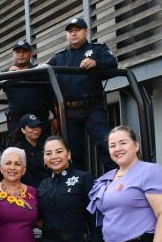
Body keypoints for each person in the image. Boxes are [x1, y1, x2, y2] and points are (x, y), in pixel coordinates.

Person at [47, 18, 117, 171]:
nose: (73, 34)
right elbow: (42, 73)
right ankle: (78, 187)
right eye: (70, 31)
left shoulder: (97, 49)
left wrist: (96, 63)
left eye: (77, 30)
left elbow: (112, 62)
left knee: (106, 143)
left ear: (86, 32)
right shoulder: (60, 56)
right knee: (73, 152)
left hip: (93, 107)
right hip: (69, 111)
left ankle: (117, 180)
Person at [0, 40, 53, 136]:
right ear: (13, 54)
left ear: (30, 53)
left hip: (39, 121)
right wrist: (7, 74)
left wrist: (57, 116)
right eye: (17, 52)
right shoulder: (7, 73)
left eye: (24, 51)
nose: (21, 54)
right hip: (16, 122)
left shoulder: (39, 72)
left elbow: (51, 96)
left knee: (42, 150)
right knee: (16, 150)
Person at [9, 113, 49, 188]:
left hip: (49, 186)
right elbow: (23, 176)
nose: (36, 130)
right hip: (31, 189)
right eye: (32, 127)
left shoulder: (45, 146)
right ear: (23, 130)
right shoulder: (18, 150)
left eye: (38, 126)